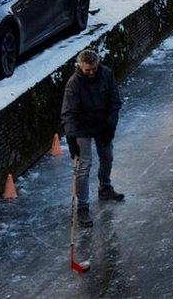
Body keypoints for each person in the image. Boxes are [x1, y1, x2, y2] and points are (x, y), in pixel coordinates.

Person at [62, 49, 125, 228]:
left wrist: (110, 125)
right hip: (82, 128)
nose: (91, 73)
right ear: (80, 67)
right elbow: (68, 113)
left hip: (102, 124)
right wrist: (71, 138)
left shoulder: (106, 74)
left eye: (94, 69)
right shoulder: (73, 84)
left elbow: (115, 101)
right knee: (84, 165)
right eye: (87, 70)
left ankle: (105, 188)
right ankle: (82, 206)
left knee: (107, 156)